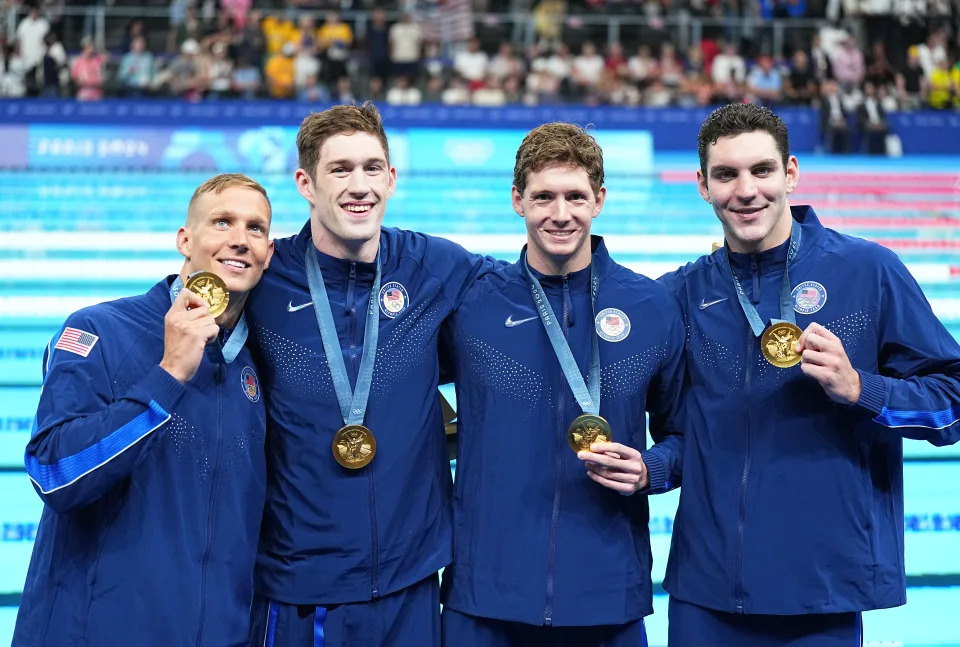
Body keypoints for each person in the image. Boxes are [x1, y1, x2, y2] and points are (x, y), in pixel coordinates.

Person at [660, 102, 960, 646]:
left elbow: (952, 399)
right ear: (702, 185)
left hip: (823, 590)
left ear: (791, 173)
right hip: (706, 591)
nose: (746, 190)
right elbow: (682, 434)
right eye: (726, 174)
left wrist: (862, 389)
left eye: (762, 170)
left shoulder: (868, 271)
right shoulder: (682, 294)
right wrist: (649, 471)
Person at [244, 102, 496, 647]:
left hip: (411, 581)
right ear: (306, 183)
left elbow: (533, 290)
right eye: (340, 170)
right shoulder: (265, 278)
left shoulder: (432, 265)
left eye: (372, 168)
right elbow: (185, 307)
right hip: (299, 586)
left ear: (392, 178)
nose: (360, 186)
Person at [439, 122, 686, 646]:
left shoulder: (651, 307)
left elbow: (687, 433)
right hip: (484, 598)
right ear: (517, 200)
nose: (560, 213)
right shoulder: (472, 304)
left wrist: (653, 468)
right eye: (543, 196)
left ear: (599, 199)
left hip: (607, 597)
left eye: (575, 196)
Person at [14, 173, 275, 646]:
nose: (240, 240)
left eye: (255, 228)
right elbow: (54, 472)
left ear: (268, 255)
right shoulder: (103, 330)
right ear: (185, 239)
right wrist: (168, 375)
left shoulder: (261, 367)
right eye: (222, 222)